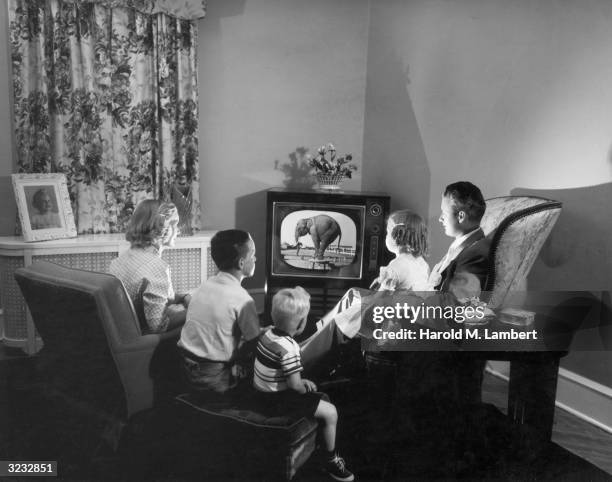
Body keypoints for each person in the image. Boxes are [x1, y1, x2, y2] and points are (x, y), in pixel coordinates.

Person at [253, 287, 354, 482]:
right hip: (277, 401)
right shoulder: (289, 347)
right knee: (331, 412)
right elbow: (295, 386)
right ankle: (331, 459)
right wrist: (305, 383)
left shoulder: (266, 334)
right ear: (301, 323)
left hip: (260, 394)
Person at [178, 229, 262, 394]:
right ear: (241, 263)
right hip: (215, 377)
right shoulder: (243, 300)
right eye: (253, 254)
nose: (256, 258)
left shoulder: (205, 285)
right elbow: (255, 344)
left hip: (186, 368)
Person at [109, 199, 190, 334]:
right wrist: (196, 310)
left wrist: (182, 297)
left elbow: (149, 296)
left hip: (125, 332)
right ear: (159, 228)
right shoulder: (157, 267)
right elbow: (158, 326)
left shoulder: (119, 261)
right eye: (174, 224)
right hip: (147, 343)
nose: (178, 230)